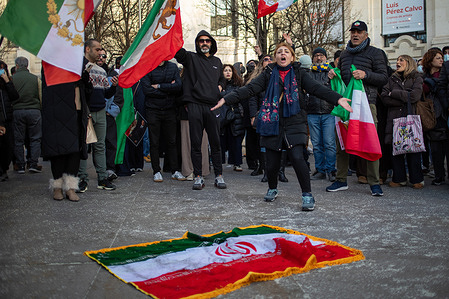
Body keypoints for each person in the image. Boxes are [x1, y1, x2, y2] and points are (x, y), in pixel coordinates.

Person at [212, 42, 352, 211]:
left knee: (297, 157)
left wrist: (337, 99)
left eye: (286, 51)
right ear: (276, 56)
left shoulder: (300, 73)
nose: (282, 54)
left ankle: (307, 194)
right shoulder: (268, 73)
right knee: (271, 163)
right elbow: (250, 89)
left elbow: (316, 88)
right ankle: (272, 188)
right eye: (279, 52)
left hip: (295, 121)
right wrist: (226, 99)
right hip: (272, 122)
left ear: (292, 57)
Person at [326, 20, 388, 196]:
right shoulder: (344, 55)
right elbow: (343, 79)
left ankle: (374, 182)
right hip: (346, 105)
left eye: (359, 32)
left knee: (370, 143)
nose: (355, 34)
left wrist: (365, 74)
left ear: (366, 35)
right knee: (342, 142)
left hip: (367, 104)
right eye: (353, 31)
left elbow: (384, 77)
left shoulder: (376, 53)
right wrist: (333, 73)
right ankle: (341, 180)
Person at [174, 30, 227, 190]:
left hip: (212, 106)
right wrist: (172, 32)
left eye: (207, 41)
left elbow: (222, 78)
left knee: (215, 143)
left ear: (212, 43)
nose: (204, 43)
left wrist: (221, 86)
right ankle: (198, 176)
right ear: (197, 44)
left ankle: (219, 175)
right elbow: (177, 52)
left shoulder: (217, 61)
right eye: (201, 41)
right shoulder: (191, 58)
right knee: (196, 144)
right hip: (195, 105)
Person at [41, 60, 91, 201]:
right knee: (58, 152)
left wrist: (85, 80)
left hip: (76, 113)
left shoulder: (79, 68)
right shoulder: (51, 64)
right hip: (58, 114)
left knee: (75, 152)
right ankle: (57, 187)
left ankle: (70, 188)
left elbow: (88, 93)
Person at [77, 39, 118, 192]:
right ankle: (82, 179)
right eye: (97, 49)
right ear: (87, 49)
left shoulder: (101, 70)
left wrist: (113, 87)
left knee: (100, 145)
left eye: (101, 50)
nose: (101, 53)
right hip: (85, 111)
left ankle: (102, 178)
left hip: (100, 111)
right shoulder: (79, 67)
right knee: (83, 146)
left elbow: (105, 93)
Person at [381, 55, 424, 189]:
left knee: (414, 148)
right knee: (396, 148)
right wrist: (405, 95)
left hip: (411, 116)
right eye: (397, 60)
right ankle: (399, 178)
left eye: (401, 60)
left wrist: (394, 93)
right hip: (394, 118)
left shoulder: (417, 77)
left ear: (409, 63)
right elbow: (384, 97)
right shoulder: (392, 78)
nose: (398, 62)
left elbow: (415, 96)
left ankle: (417, 178)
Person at [141, 60, 185, 182]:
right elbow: (147, 90)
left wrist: (159, 86)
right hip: (153, 109)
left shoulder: (172, 67)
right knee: (154, 141)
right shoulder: (148, 66)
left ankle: (175, 170)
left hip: (170, 109)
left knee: (172, 141)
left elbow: (178, 86)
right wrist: (168, 90)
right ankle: (156, 171)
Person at [307, 47, 337, 182]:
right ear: (312, 58)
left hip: (328, 112)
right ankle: (320, 170)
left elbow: (333, 91)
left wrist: (329, 80)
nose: (319, 58)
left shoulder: (333, 72)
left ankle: (331, 170)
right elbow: (312, 89)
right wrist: (326, 81)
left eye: (321, 55)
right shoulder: (308, 73)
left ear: (326, 57)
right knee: (317, 144)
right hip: (312, 112)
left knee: (329, 143)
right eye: (316, 56)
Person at [422, 49, 449, 185]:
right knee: (435, 146)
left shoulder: (444, 74)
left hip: (443, 112)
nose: (441, 60)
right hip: (431, 114)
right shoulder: (424, 76)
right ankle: (439, 174)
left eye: (441, 57)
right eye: (437, 58)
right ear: (430, 60)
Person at [11, 57, 42, 174]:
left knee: (18, 140)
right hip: (34, 111)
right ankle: (33, 163)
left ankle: (20, 165)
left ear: (17, 66)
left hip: (17, 111)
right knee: (35, 138)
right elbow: (40, 96)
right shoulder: (35, 79)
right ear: (27, 66)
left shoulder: (12, 79)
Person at [219, 64, 245, 171]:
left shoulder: (237, 84)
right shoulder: (219, 85)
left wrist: (224, 94)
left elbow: (236, 96)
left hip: (236, 115)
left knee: (236, 140)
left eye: (230, 70)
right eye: (225, 70)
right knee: (221, 140)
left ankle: (237, 163)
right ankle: (218, 162)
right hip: (222, 115)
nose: (228, 72)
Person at [0, 61, 19, 182]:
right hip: (1, 119)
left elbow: (15, 96)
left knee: (9, 146)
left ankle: (5, 168)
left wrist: (7, 81)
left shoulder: (7, 83)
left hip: (8, 119)